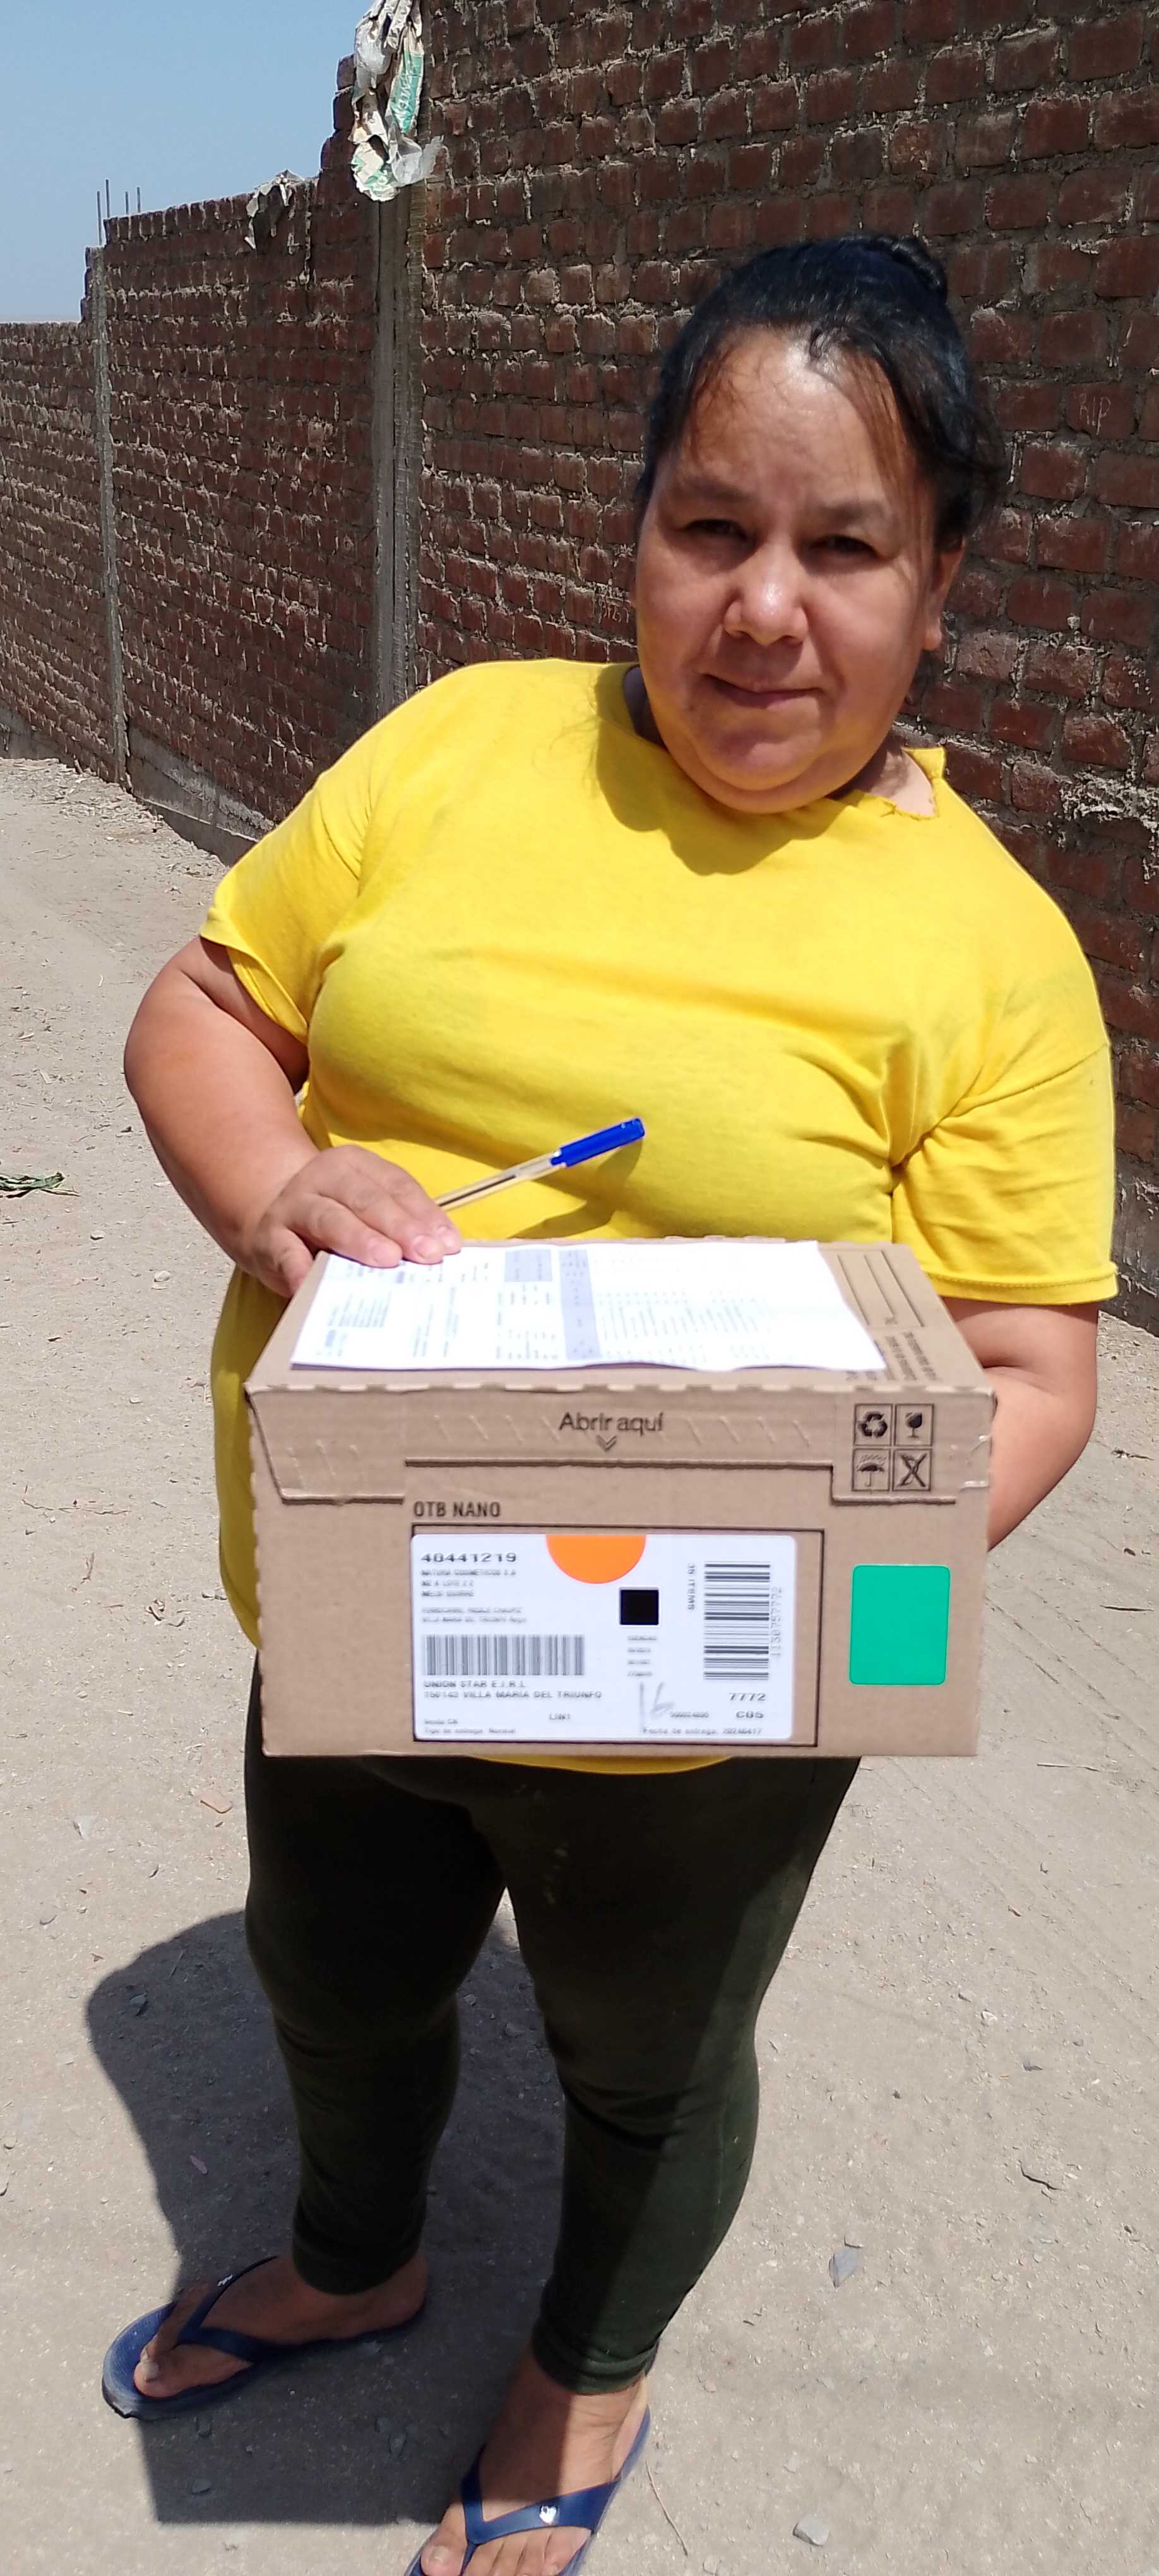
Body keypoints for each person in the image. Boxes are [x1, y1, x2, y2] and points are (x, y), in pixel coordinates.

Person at [107, 236, 1115, 2576]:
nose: (760, 610)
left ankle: (584, 2365)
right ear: (636, 529)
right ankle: (358, 2255)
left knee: (645, 2065)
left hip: (699, 1709)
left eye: (842, 548)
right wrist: (275, 1188)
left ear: (938, 589)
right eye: (709, 527)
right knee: (334, 1974)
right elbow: (206, 1005)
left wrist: (815, 1572)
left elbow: (1028, 1374)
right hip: (366, 1614)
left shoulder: (987, 950)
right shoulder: (464, 748)